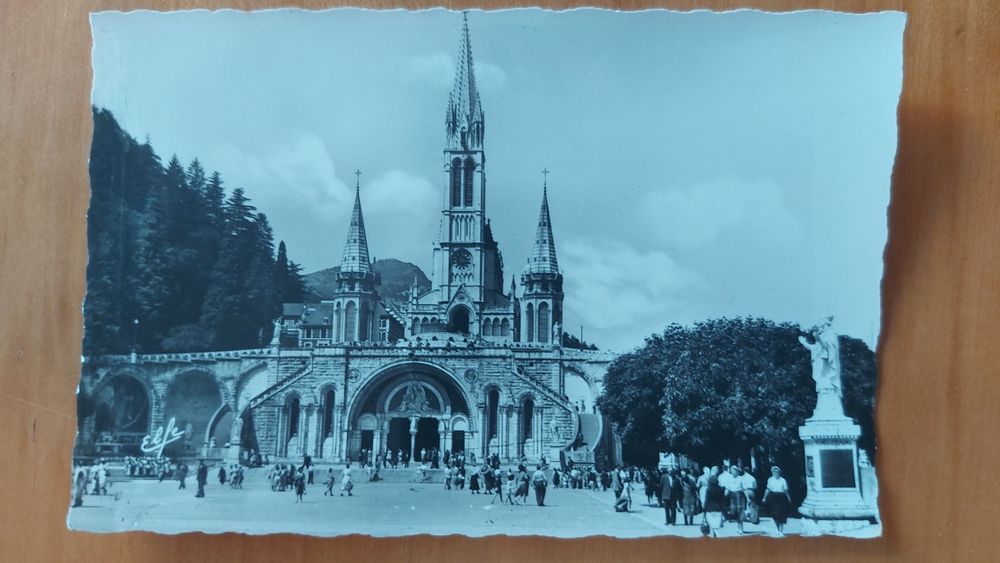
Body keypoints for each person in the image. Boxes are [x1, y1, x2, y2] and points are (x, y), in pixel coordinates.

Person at [762, 466, 792, 536]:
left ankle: (781, 530)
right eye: (774, 472)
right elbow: (768, 489)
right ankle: (777, 528)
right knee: (774, 514)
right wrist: (764, 497)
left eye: (777, 472)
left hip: (781, 497)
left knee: (781, 514)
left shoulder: (783, 480)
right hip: (773, 497)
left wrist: (789, 498)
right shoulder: (770, 480)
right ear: (772, 472)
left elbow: (786, 490)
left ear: (779, 473)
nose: (776, 473)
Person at [721, 465, 746, 533]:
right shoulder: (729, 479)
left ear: (737, 471)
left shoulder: (741, 478)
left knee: (739, 510)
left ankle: (741, 527)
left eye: (734, 471)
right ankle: (738, 525)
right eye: (731, 471)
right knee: (734, 511)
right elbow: (727, 488)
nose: (732, 472)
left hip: (739, 495)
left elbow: (744, 489)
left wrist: (748, 498)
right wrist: (724, 496)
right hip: (732, 496)